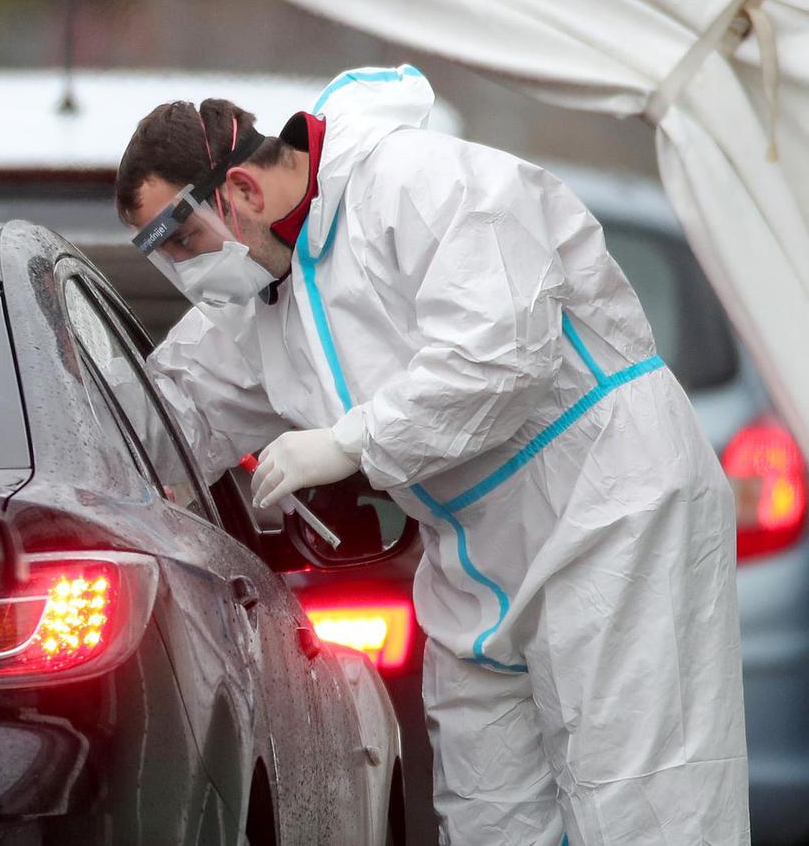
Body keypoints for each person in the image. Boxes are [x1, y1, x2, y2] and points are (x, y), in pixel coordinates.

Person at [115, 66, 749, 845]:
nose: (183, 270)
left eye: (182, 240)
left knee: (647, 808)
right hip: (472, 566)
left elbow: (504, 354)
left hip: (607, 515)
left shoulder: (415, 182)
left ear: (240, 190)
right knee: (490, 820)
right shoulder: (262, 305)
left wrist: (349, 441)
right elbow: (158, 413)